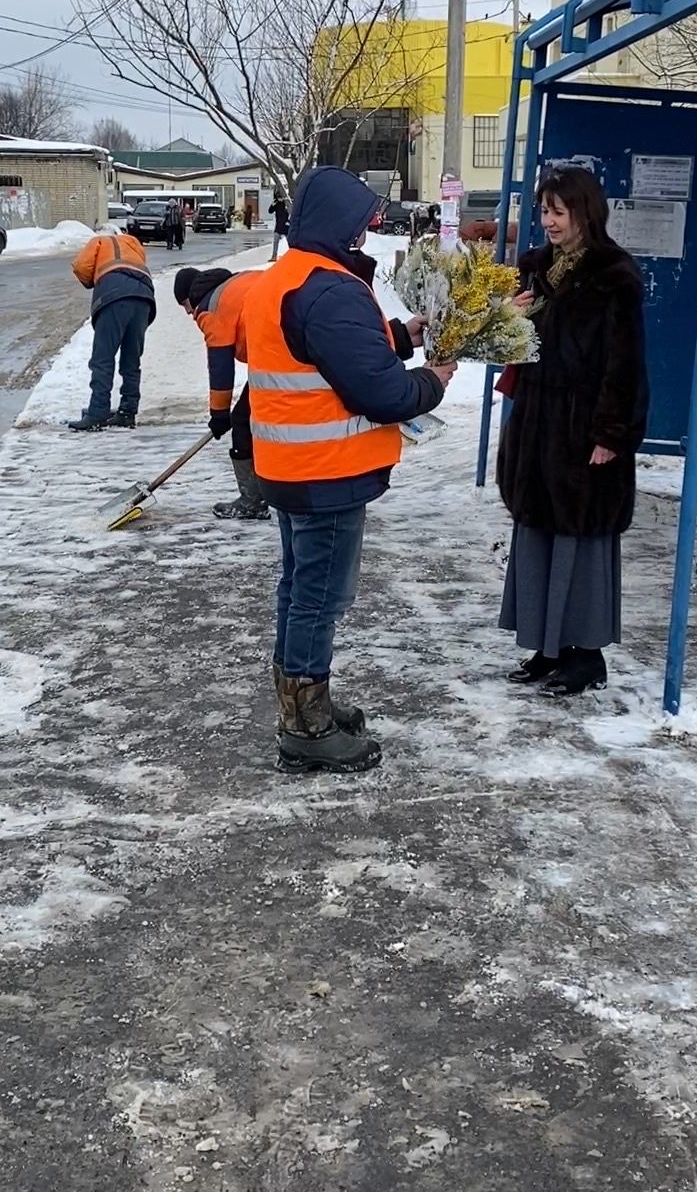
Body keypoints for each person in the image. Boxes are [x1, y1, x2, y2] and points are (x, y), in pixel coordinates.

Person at [244, 165, 456, 774]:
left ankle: (305, 704)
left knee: (298, 589)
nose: (369, 229)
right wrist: (431, 382)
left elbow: (323, 354)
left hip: (290, 467)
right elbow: (380, 393)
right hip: (327, 473)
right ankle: (306, 730)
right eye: (362, 220)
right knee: (319, 597)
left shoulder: (284, 279)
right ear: (340, 223)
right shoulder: (332, 289)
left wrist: (399, 333)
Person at [497, 166, 648, 696]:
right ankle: (547, 646)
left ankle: (586, 656)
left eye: (559, 212)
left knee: (580, 541)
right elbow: (510, 352)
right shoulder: (534, 270)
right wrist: (506, 319)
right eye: (544, 211)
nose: (549, 222)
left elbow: (625, 364)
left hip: (584, 428)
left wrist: (612, 433)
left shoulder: (614, 275)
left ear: (586, 212)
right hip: (537, 425)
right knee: (538, 533)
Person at [173, 264, 269, 521]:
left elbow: (220, 367)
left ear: (190, 297)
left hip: (279, 355)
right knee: (261, 419)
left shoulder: (211, 307)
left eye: (185, 306)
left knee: (242, 421)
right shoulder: (237, 283)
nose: (189, 313)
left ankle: (253, 501)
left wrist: (219, 415)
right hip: (292, 346)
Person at [67, 223, 157, 432]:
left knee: (103, 358)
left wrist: (93, 281)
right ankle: (128, 411)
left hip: (114, 296)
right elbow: (140, 260)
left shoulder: (98, 242)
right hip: (144, 295)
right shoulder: (131, 241)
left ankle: (97, 412)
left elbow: (82, 266)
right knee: (131, 358)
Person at [271, 194, 290, 261]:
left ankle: (293, 255)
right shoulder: (276, 204)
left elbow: (291, 213)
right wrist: (272, 204)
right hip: (278, 226)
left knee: (290, 242)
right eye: (279, 198)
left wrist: (289, 221)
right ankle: (274, 256)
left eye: (281, 197)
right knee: (275, 242)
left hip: (285, 226)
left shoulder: (286, 204)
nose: (280, 199)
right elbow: (270, 211)